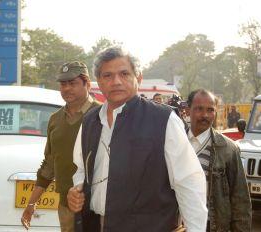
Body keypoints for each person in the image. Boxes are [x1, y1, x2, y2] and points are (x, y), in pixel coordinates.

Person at [67, 47, 207, 232]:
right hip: (96, 225)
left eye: (124, 73)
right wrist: (76, 191)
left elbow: (188, 182)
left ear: (138, 78)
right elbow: (81, 169)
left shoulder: (163, 120)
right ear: (98, 82)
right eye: (107, 75)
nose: (116, 81)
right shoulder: (90, 121)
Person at [21, 61, 100, 232]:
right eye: (63, 84)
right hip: (66, 206)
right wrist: (31, 204)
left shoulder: (101, 115)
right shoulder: (55, 120)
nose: (67, 89)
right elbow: (48, 166)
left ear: (87, 83)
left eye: (73, 83)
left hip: (97, 208)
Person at [187, 89, 251, 232]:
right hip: (180, 225)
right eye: (199, 109)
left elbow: (240, 199)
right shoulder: (175, 143)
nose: (205, 115)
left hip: (212, 226)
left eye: (210, 110)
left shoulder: (228, 149)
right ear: (187, 110)